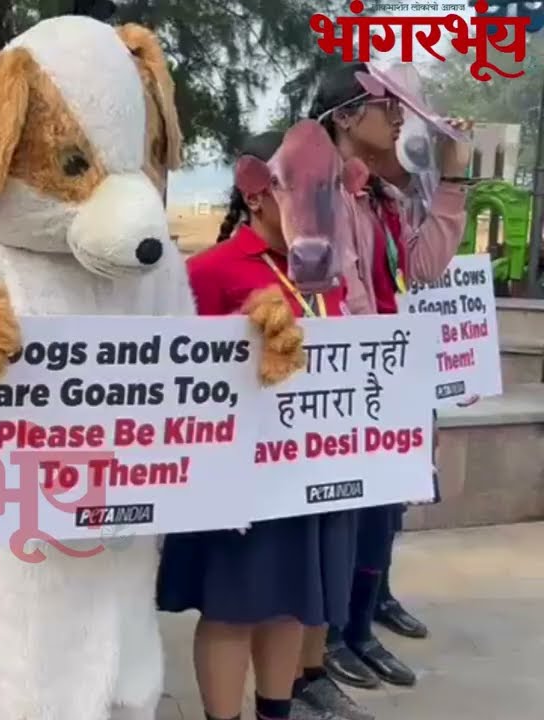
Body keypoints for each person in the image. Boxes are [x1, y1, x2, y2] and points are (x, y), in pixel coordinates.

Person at [156, 131, 358, 720]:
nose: (318, 205)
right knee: (231, 609)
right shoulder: (209, 272)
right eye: (301, 188)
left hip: (305, 471)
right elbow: (179, 379)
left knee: (291, 603)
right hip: (234, 477)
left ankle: (277, 710)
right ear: (256, 192)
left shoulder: (329, 276)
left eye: (326, 190)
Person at [304, 61, 470, 704]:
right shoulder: (314, 191)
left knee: (380, 513)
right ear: (346, 117)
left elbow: (422, 267)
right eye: (387, 106)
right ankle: (325, 642)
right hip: (338, 385)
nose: (400, 118)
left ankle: (357, 627)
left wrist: (451, 178)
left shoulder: (379, 195)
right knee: (337, 519)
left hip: (382, 381)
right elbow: (333, 296)